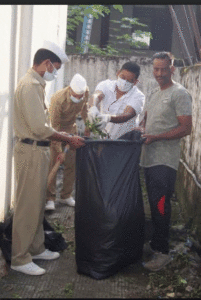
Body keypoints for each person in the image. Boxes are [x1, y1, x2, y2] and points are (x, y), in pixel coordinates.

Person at [11, 41, 85, 276]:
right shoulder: (30, 85)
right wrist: (66, 137)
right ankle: (20, 258)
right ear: (46, 63)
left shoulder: (37, 84)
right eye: (55, 67)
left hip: (38, 150)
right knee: (27, 206)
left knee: (37, 204)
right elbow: (39, 127)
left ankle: (36, 248)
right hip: (31, 150)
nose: (55, 72)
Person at [138, 52, 192, 272]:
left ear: (172, 69)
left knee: (161, 205)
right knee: (153, 203)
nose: (159, 73)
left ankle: (163, 253)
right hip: (148, 159)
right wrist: (140, 129)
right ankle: (156, 243)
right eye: (156, 69)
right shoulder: (153, 92)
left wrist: (157, 137)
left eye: (163, 69)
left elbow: (186, 128)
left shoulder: (179, 93)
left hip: (164, 161)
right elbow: (146, 120)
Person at [45, 73, 90, 211]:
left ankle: (66, 196)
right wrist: (59, 151)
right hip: (56, 132)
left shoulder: (85, 92)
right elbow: (55, 127)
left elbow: (84, 110)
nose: (78, 98)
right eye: (75, 95)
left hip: (72, 130)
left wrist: (88, 126)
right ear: (70, 89)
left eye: (80, 96)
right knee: (54, 163)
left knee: (71, 164)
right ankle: (50, 198)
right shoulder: (57, 99)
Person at [88, 61, 145, 139]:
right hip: (103, 139)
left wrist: (108, 118)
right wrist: (92, 107)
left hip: (125, 143)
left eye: (129, 80)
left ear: (135, 82)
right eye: (123, 77)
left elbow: (127, 115)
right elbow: (96, 96)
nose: (124, 82)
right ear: (118, 73)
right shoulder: (105, 85)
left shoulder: (138, 96)